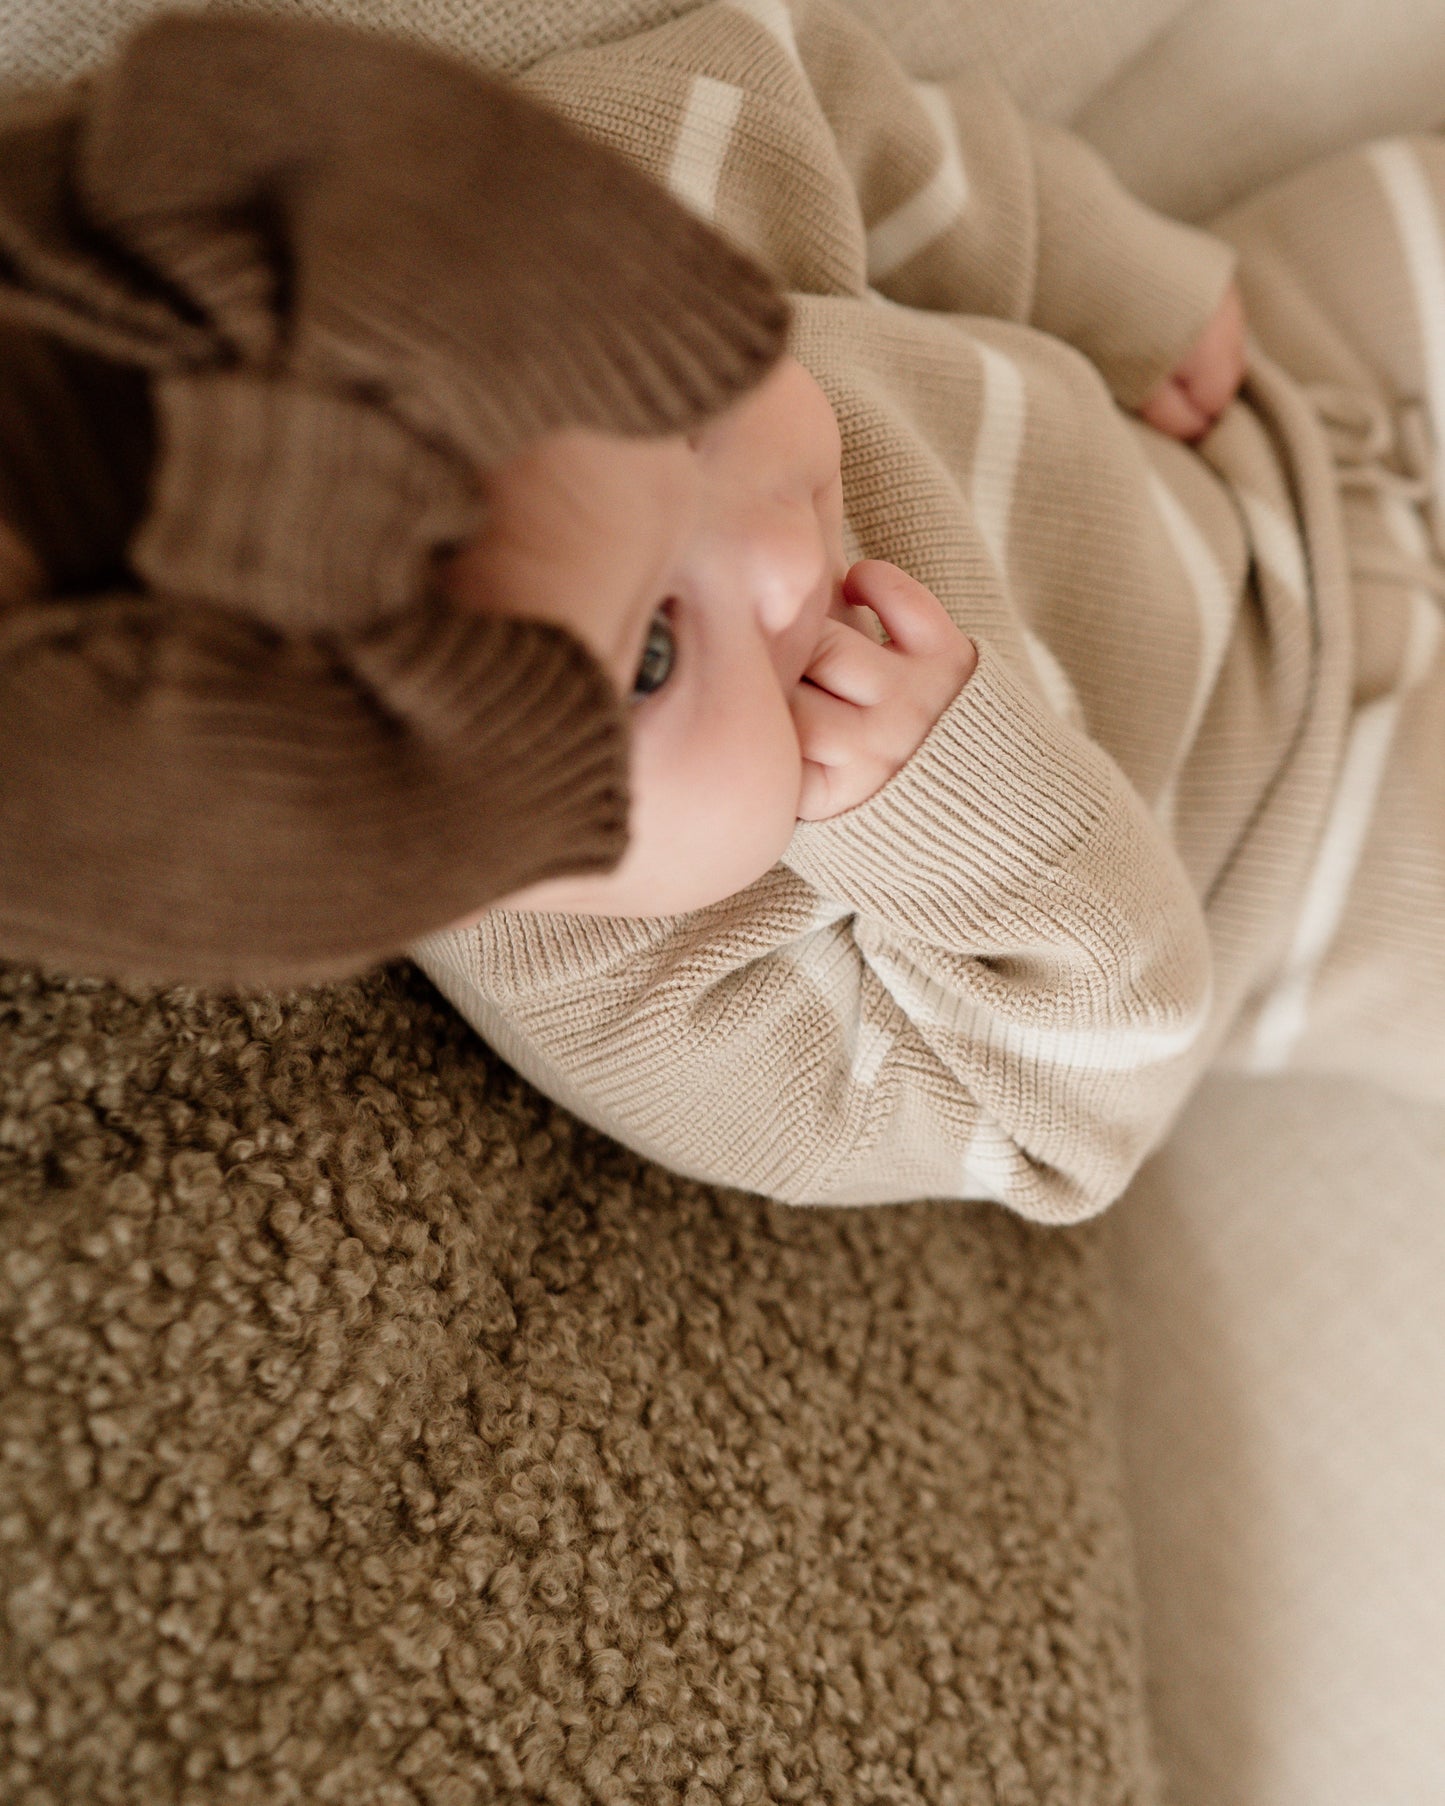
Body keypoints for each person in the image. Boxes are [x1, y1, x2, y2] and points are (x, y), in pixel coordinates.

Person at [414, 0, 1445, 1222]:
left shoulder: (560, 241)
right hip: (1311, 838)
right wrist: (965, 824)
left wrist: (1113, 279)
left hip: (1274, 409)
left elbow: (806, 103)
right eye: (649, 655)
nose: (776, 555)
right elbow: (1064, 1130)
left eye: (675, 399)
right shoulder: (658, 1026)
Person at [0, 11, 790, 987]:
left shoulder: (683, 177)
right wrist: (923, 796)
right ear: (478, 890)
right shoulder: (619, 975)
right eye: (654, 657)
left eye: (696, 425)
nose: (788, 560)